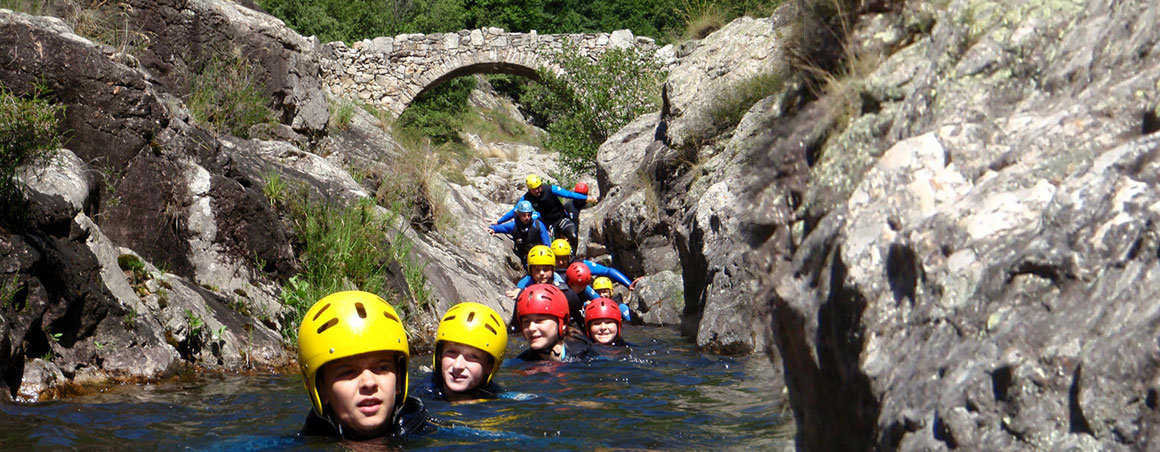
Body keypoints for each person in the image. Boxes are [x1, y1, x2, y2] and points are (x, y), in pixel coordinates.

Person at [297, 291, 433, 442]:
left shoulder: (437, 438)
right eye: (348, 372)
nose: (368, 383)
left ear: (399, 380)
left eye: (382, 368)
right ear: (321, 390)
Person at [424, 302, 508, 402]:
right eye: (451, 352)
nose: (458, 365)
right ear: (439, 355)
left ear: (490, 365)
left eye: (473, 356)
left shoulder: (499, 398)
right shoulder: (422, 395)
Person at [492, 174, 597, 252]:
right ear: (529, 190)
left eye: (539, 187)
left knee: (573, 236)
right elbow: (515, 211)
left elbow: (569, 195)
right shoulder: (526, 198)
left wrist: (586, 198)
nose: (538, 191)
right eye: (534, 190)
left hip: (561, 219)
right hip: (548, 225)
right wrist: (498, 221)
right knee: (551, 249)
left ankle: (574, 257)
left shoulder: (550, 189)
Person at [506, 246, 583, 332]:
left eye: (546, 269)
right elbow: (514, 327)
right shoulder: (523, 295)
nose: (542, 273)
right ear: (530, 271)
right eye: (536, 270)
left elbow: (581, 323)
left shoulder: (566, 294)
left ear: (553, 269)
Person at [514, 283, 596, 362]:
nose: (531, 328)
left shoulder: (584, 357)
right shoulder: (521, 361)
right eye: (526, 322)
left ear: (563, 323)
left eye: (540, 320)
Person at [550, 239, 637, 292]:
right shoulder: (546, 269)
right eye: (557, 259)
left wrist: (629, 284)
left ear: (569, 256)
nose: (560, 262)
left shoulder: (579, 264)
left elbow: (608, 271)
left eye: (564, 258)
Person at [487, 200, 551, 268]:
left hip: (541, 259)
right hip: (526, 261)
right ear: (519, 214)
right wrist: (492, 229)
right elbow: (499, 228)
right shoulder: (514, 226)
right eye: (524, 215)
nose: (527, 218)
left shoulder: (538, 225)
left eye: (529, 215)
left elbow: (547, 246)